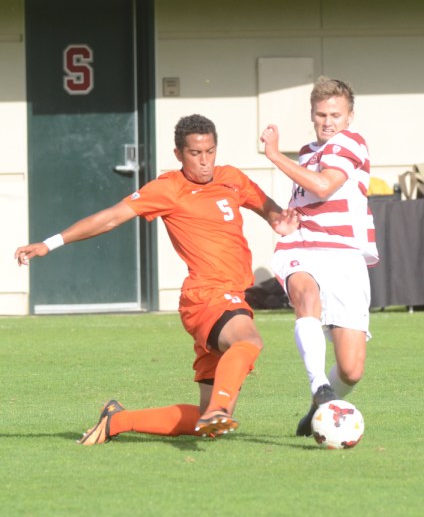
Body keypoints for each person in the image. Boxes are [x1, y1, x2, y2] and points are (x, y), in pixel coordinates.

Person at [15, 113, 298, 445]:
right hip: (207, 295)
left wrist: (280, 221)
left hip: (230, 294)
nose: (204, 161)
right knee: (248, 341)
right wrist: (50, 243)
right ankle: (217, 409)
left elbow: (270, 210)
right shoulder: (169, 189)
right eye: (195, 153)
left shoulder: (232, 178)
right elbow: (110, 218)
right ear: (179, 154)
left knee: (205, 424)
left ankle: (118, 420)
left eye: (210, 151)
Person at [260, 77, 379, 437]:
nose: (328, 121)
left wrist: (275, 155)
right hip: (303, 247)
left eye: (335, 114)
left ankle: (317, 407)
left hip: (343, 255)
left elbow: (325, 185)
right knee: (306, 298)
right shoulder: (306, 151)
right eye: (321, 114)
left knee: (352, 369)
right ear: (312, 115)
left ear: (350, 116)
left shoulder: (351, 142)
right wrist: (286, 223)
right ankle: (319, 387)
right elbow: (305, 203)